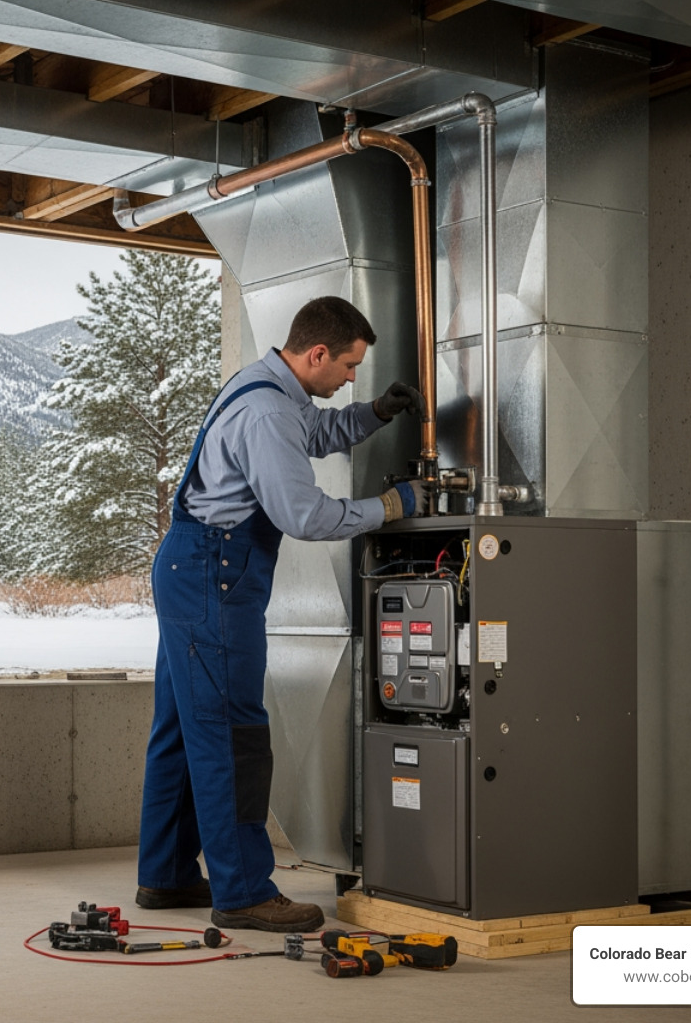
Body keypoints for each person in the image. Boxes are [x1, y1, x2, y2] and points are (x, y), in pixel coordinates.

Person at [135, 295, 424, 932]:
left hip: (194, 569)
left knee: (184, 730)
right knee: (233, 735)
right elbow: (305, 516)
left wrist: (372, 415)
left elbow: (313, 434)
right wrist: (391, 506)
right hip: (215, 575)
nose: (352, 377)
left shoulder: (267, 385)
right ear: (316, 353)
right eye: (349, 367)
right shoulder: (268, 411)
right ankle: (242, 892)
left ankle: (167, 873)